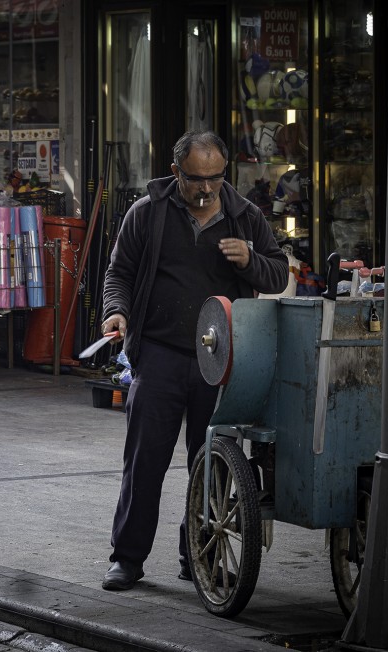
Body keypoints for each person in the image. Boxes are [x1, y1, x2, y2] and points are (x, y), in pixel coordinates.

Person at [100, 130, 289, 591]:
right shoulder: (147, 214)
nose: (206, 188)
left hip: (220, 361)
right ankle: (127, 558)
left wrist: (249, 261)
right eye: (195, 179)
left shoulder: (245, 217)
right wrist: (117, 312)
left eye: (216, 178)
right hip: (159, 355)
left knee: (211, 466)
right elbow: (118, 273)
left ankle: (198, 557)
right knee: (145, 462)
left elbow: (279, 271)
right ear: (175, 171)